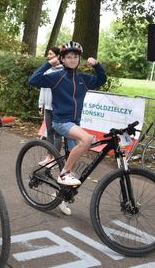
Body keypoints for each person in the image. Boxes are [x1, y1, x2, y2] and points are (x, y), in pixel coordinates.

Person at [29, 41, 107, 186]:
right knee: (87, 139)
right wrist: (49, 64)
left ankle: (61, 195)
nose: (73, 60)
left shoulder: (83, 79)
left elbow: (101, 80)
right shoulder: (57, 76)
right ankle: (63, 174)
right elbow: (33, 80)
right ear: (63, 59)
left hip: (75, 123)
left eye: (75, 57)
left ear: (79, 59)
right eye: (69, 57)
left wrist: (97, 65)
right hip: (61, 122)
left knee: (73, 161)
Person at [37, 46, 71, 215]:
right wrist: (40, 105)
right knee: (50, 133)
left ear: (58, 56)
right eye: (48, 54)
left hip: (59, 109)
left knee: (58, 135)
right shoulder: (49, 70)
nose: (48, 57)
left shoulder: (64, 71)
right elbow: (42, 87)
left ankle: (55, 159)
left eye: (51, 54)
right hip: (49, 107)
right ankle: (50, 157)